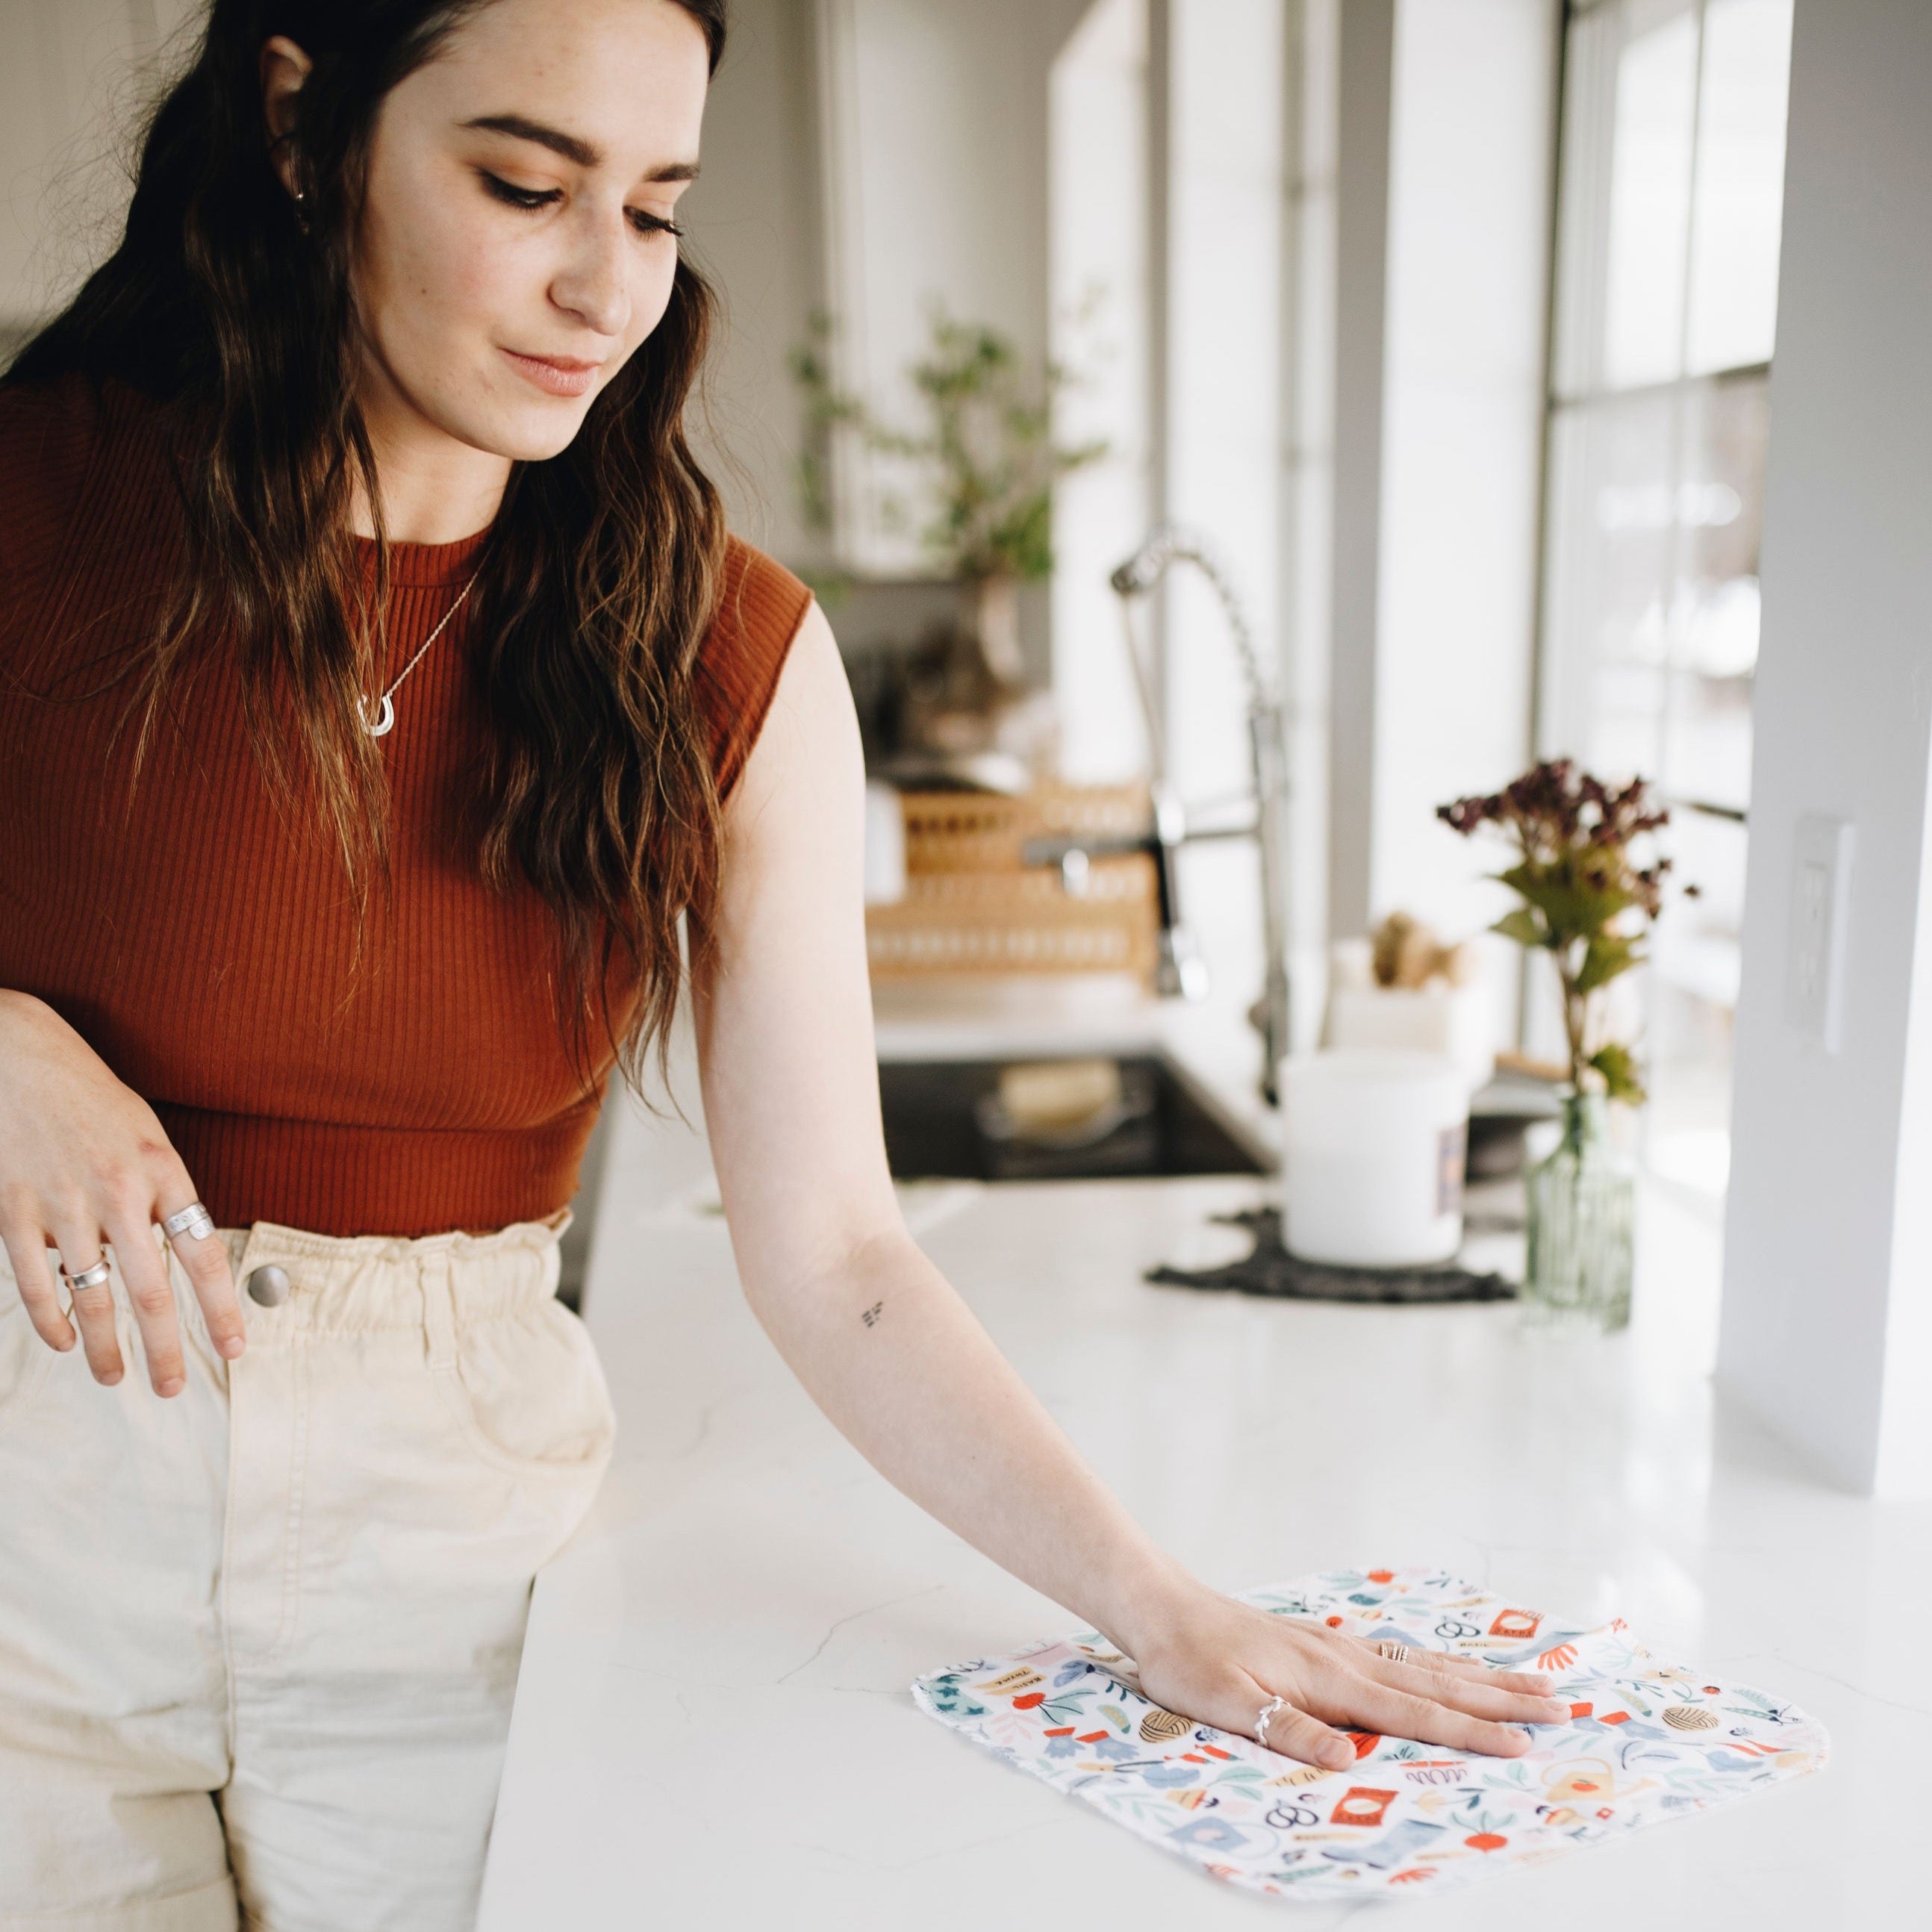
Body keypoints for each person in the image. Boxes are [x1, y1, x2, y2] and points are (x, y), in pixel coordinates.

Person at [0, 2, 1570, 1926]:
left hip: (447, 1577)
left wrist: (1156, 1605)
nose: (603, 286)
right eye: (523, 183)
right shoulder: (35, 504)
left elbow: (833, 1247)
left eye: (655, 209)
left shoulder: (717, 649)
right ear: (307, 130)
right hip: (32, 1540)